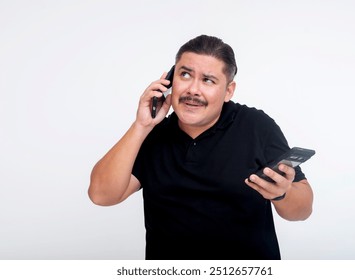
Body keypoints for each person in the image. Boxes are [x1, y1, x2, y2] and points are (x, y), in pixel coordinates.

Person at [88, 35, 313, 260]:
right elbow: (101, 195)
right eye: (185, 75)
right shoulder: (152, 133)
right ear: (169, 81)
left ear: (228, 91)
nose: (193, 90)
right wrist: (141, 125)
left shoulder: (257, 126)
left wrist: (283, 194)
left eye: (208, 80)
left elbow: (303, 210)